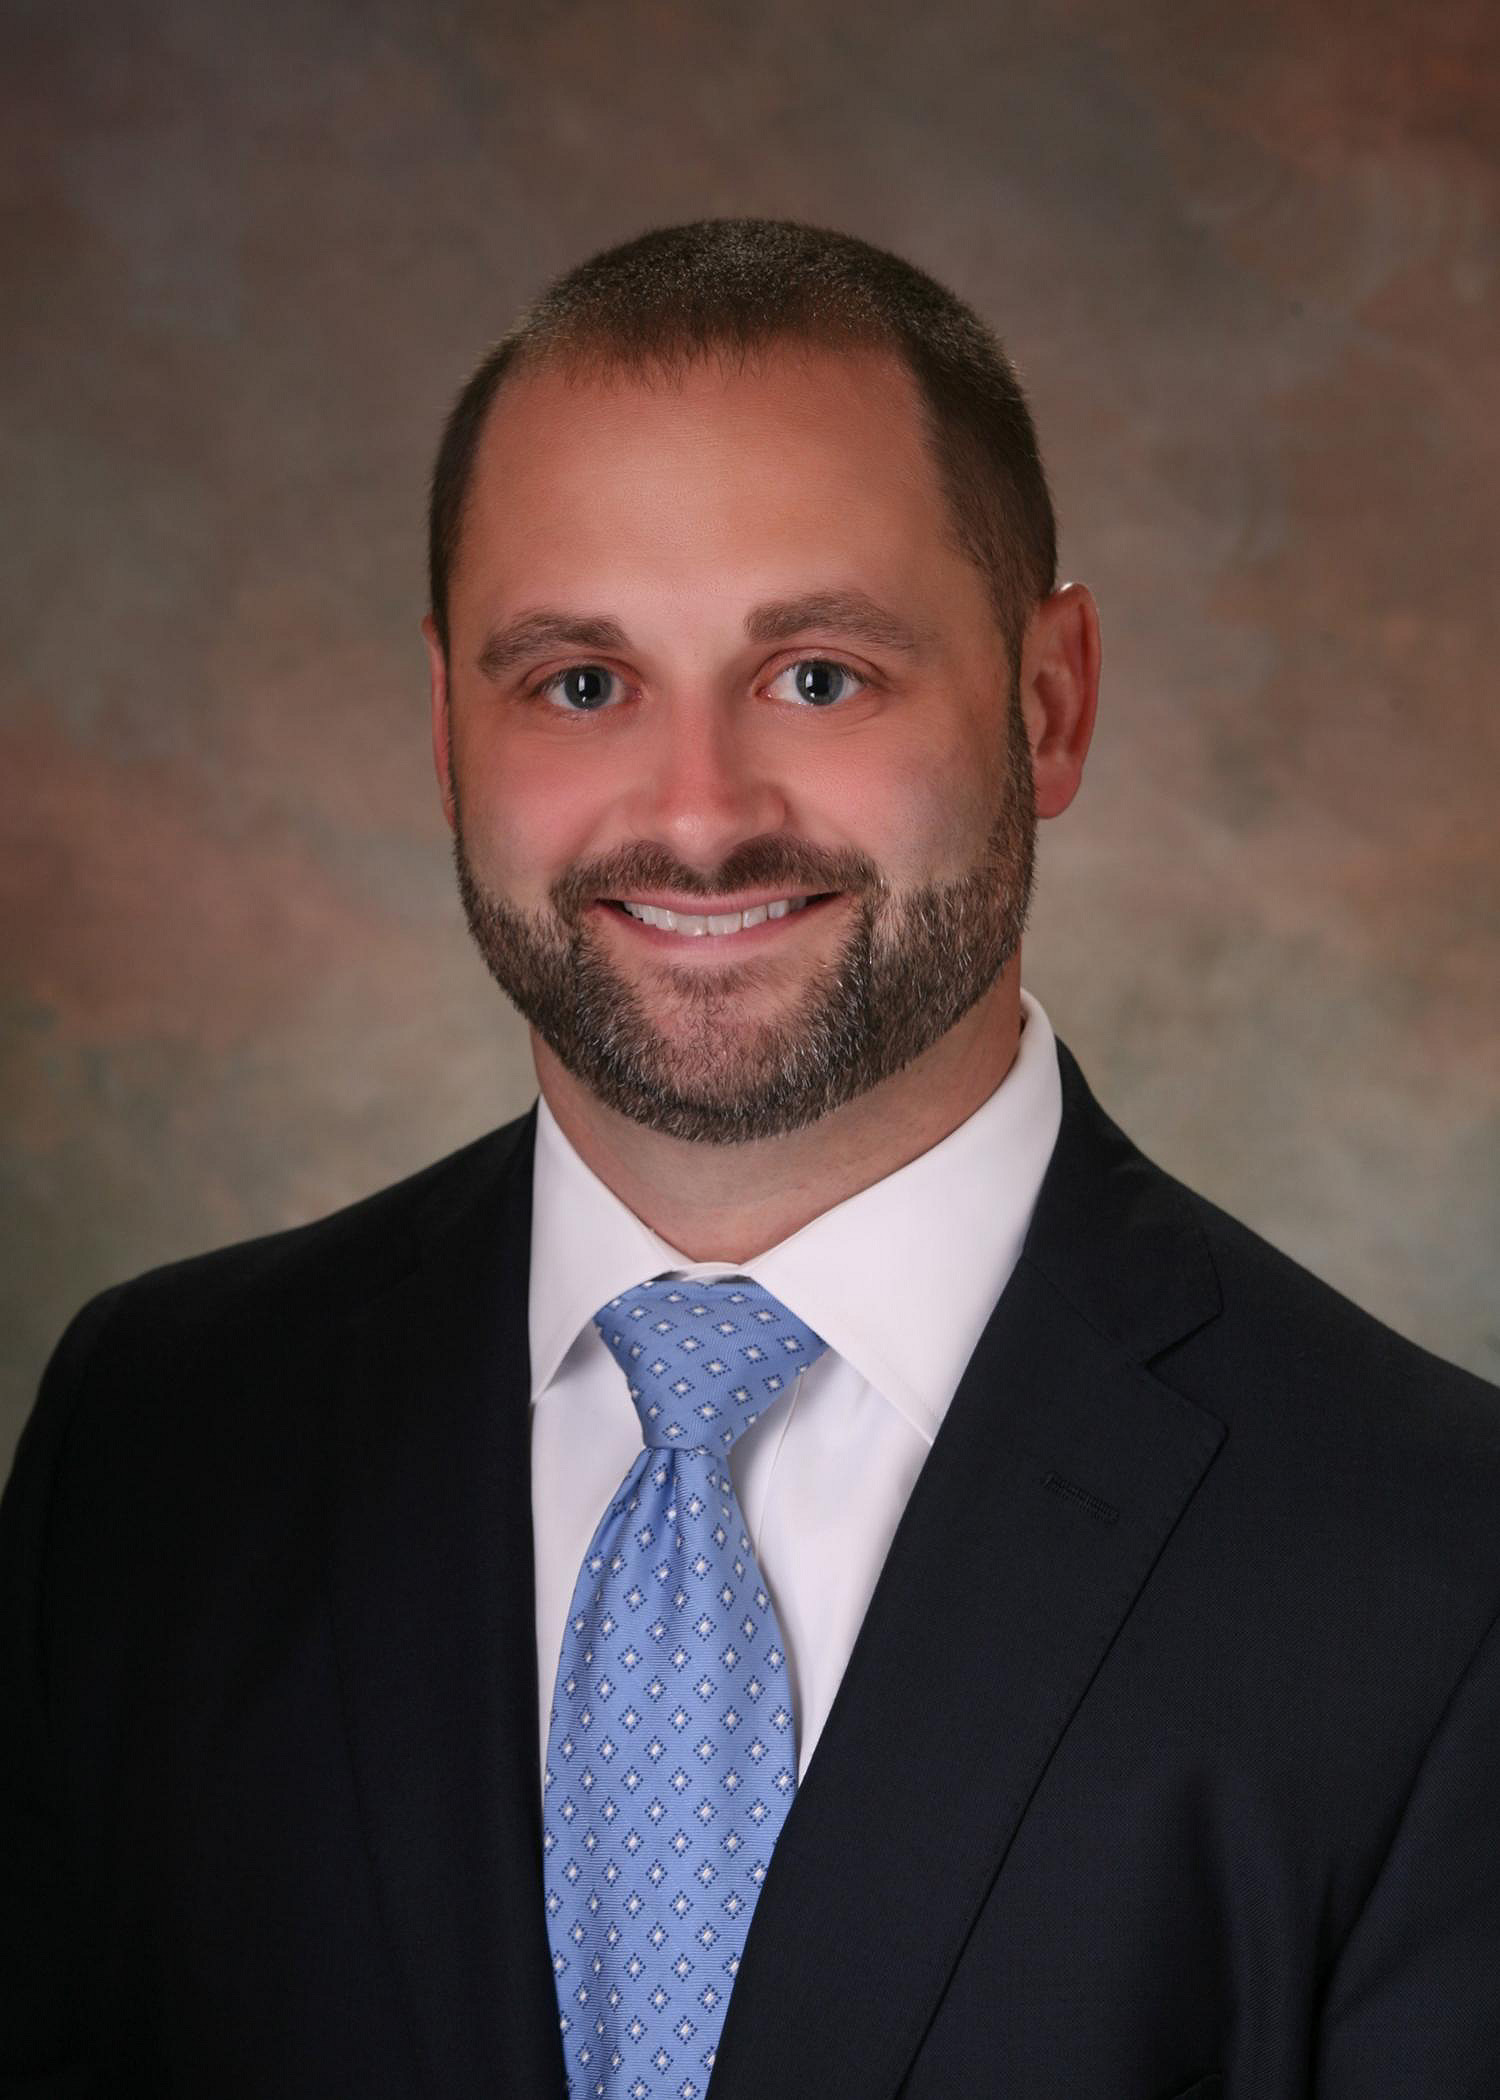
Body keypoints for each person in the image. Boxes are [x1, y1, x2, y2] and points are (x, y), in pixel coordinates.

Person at [2, 218, 1496, 2100]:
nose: (699, 816)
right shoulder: (154, 1447)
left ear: (1052, 702)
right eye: (578, 683)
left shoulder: (1437, 1574)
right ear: (446, 732)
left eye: (818, 676)